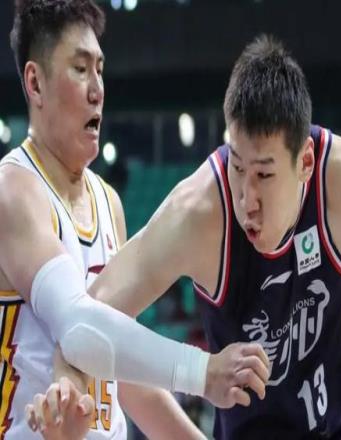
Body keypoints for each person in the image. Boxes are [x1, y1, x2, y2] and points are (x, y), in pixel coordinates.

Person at [30, 34, 341, 439]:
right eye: (237, 166)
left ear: (305, 163)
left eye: (264, 174)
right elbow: (85, 322)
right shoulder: (198, 213)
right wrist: (67, 387)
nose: (246, 198)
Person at [1, 1, 270, 439]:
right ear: (35, 83)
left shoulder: (109, 204)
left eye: (100, 70)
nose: (97, 89)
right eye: (80, 69)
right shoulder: (13, 189)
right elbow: (78, 325)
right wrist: (202, 372)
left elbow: (126, 378)